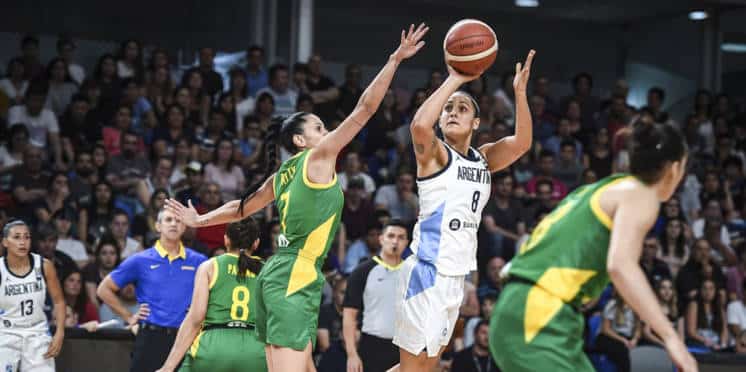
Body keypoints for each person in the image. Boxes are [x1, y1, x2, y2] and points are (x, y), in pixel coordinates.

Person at [164, 24, 427, 372]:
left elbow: (241, 207)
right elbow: (364, 109)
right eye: (319, 128)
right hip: (294, 273)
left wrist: (200, 220)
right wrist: (394, 60)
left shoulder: (285, 173)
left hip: (282, 272)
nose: (327, 132)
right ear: (301, 142)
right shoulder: (317, 159)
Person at [489, 120, 697, 372]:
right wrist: (671, 337)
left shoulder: (602, 188)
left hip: (529, 309)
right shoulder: (642, 194)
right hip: (538, 314)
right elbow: (620, 265)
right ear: (674, 169)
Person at [391, 48, 535, 372]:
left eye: (462, 108)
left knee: (426, 368)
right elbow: (418, 127)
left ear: (477, 121)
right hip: (425, 272)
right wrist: (455, 77)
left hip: (456, 276)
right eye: (447, 109)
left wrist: (520, 93)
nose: (453, 112)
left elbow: (522, 143)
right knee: (414, 368)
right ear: (439, 119)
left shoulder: (483, 158)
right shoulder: (436, 155)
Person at [97, 209, 207, 372]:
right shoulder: (140, 260)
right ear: (158, 226)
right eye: (168, 220)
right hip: (150, 337)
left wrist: (199, 310)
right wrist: (129, 316)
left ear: (184, 227)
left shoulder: (199, 261)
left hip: (187, 337)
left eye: (178, 221)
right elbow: (103, 289)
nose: (174, 224)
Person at [156, 218, 267, 372]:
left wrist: (167, 367)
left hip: (214, 344)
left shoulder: (210, 266)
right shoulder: (268, 270)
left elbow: (195, 319)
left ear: (226, 239)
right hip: (255, 348)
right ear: (256, 243)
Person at [343, 220, 409, 372]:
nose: (395, 241)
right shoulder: (362, 271)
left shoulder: (412, 272)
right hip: (371, 346)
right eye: (391, 236)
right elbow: (349, 316)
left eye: (401, 237)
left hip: (404, 347)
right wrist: (352, 354)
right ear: (381, 239)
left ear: (407, 242)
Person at [0, 220, 65, 371]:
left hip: (37, 333)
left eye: (26, 237)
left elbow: (59, 301)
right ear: (5, 242)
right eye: (16, 237)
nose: (22, 242)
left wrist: (60, 332)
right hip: (6, 333)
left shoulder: (44, 265)